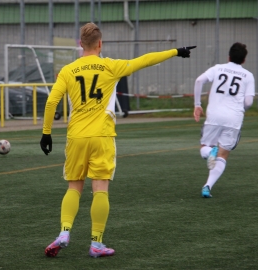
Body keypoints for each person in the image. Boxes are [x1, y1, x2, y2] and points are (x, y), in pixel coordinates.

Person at [40, 22, 196, 258]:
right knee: (100, 189)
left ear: (80, 44)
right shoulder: (110, 66)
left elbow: (52, 102)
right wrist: (176, 51)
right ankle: (96, 243)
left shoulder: (68, 70)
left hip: (76, 137)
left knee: (74, 187)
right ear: (100, 44)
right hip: (102, 136)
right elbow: (144, 60)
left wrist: (46, 132)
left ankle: (64, 232)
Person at [193, 42, 255, 198]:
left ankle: (209, 153)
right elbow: (248, 102)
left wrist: (197, 105)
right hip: (233, 119)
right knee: (223, 154)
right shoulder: (248, 75)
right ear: (244, 60)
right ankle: (207, 186)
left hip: (214, 115)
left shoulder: (217, 68)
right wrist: (240, 109)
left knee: (204, 147)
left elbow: (199, 81)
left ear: (229, 56)